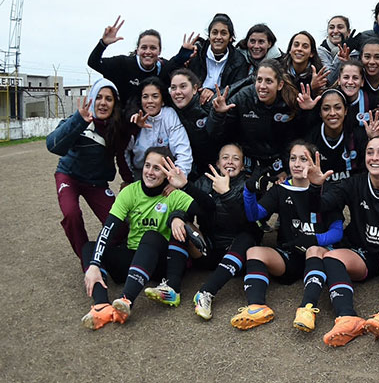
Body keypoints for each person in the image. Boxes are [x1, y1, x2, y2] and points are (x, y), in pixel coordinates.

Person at [305, 137, 379, 347]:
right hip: (361, 253)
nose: (374, 157)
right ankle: (347, 318)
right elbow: (321, 206)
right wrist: (314, 186)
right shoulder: (355, 182)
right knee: (331, 258)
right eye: (370, 152)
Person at [224, 141, 344, 331]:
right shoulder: (281, 189)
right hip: (290, 255)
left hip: (319, 255)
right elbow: (254, 215)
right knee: (255, 251)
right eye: (293, 158)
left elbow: (338, 232)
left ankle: (307, 308)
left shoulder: (328, 189)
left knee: (314, 250)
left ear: (314, 163)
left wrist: (314, 240)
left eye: (303, 159)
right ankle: (256, 307)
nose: (296, 164)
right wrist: (249, 191)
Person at [79, 146, 200, 330]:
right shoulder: (130, 192)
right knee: (89, 248)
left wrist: (181, 207)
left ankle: (127, 301)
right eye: (147, 166)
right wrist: (95, 263)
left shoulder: (174, 195)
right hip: (134, 257)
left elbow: (207, 211)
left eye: (157, 168)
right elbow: (109, 228)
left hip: (160, 263)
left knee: (151, 236)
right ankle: (101, 305)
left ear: (168, 172)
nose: (150, 172)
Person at [141, 144, 261, 317]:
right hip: (208, 250)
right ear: (218, 163)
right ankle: (172, 288)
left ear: (242, 166)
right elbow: (187, 207)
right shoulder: (204, 182)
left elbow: (248, 222)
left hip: (238, 256)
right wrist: (177, 217)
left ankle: (206, 293)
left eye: (236, 158)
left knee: (247, 237)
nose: (230, 162)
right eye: (225, 157)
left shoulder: (248, 186)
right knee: (179, 224)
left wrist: (226, 193)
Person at [46, 79, 129, 263]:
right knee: (71, 214)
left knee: (121, 226)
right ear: (92, 99)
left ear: (115, 104)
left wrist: (128, 181)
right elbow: (53, 146)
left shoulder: (116, 128)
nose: (103, 102)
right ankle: (86, 259)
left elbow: (122, 158)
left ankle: (104, 254)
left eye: (109, 99)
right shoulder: (78, 119)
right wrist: (78, 121)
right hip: (69, 177)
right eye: (98, 97)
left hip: (97, 183)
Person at [207, 60, 299, 181]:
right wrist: (218, 114)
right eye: (259, 80)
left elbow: (293, 139)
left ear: (280, 85)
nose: (262, 86)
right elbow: (214, 134)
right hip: (247, 159)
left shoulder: (288, 102)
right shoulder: (243, 97)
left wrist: (284, 169)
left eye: (269, 81)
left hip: (277, 159)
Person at [87, 16, 193, 109]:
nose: (148, 52)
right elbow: (93, 62)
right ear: (137, 50)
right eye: (144, 47)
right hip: (126, 121)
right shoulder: (122, 64)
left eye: (153, 48)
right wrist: (103, 43)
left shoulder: (164, 67)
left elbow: (179, 65)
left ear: (159, 51)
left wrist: (186, 54)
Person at [126, 77, 193, 179]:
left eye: (155, 96)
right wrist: (129, 178)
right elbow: (124, 151)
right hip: (140, 172)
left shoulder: (169, 115)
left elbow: (183, 151)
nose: (150, 101)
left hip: (166, 174)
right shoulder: (134, 117)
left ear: (162, 100)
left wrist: (177, 179)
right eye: (145, 97)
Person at [303, 89, 368, 182]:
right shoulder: (311, 138)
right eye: (326, 108)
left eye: (338, 108)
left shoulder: (358, 136)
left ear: (345, 110)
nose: (332, 113)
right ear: (320, 113)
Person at [184, 13, 249, 105]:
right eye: (214, 33)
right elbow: (174, 75)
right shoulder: (196, 53)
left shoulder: (239, 60)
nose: (218, 37)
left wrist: (214, 94)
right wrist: (182, 56)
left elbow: (237, 90)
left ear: (230, 38)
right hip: (194, 100)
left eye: (223, 33)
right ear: (209, 36)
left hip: (222, 104)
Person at [169, 69, 217, 180]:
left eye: (183, 86)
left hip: (213, 169)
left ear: (195, 89)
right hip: (187, 169)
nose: (177, 92)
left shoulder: (207, 104)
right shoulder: (170, 108)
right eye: (173, 88)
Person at [281, 31, 329, 95]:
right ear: (290, 50)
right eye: (296, 45)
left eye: (305, 46)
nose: (299, 49)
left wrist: (314, 89)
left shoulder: (318, 77)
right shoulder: (279, 70)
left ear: (311, 53)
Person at [317, 15, 358, 85]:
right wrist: (340, 55)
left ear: (348, 32)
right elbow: (329, 79)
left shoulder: (356, 52)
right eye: (331, 27)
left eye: (340, 27)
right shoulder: (320, 52)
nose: (335, 31)